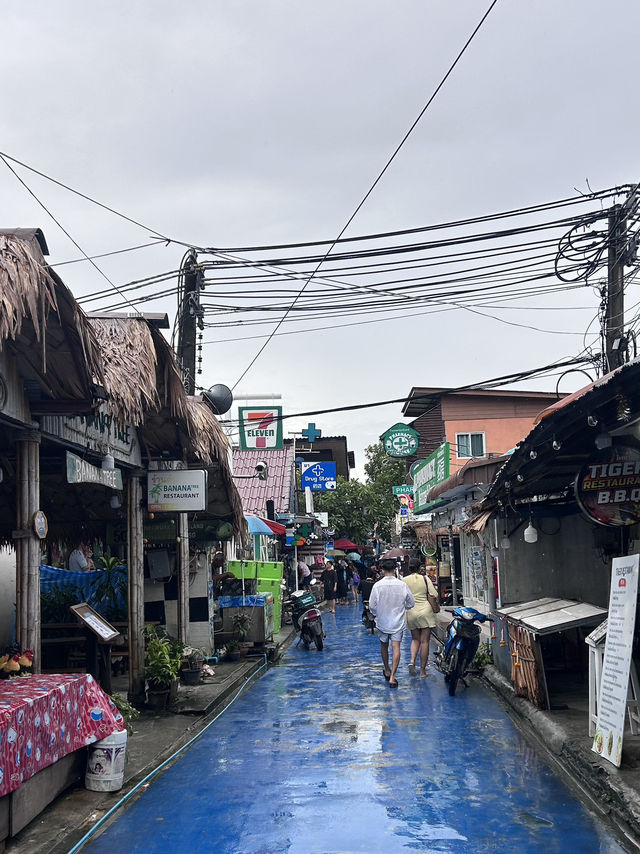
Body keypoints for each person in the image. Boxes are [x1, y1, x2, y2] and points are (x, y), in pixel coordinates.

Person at [368, 559, 415, 688]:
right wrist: (402, 607)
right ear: (395, 570)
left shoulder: (377, 585)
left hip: (382, 621)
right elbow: (411, 603)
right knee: (396, 648)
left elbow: (372, 606)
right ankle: (393, 677)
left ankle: (387, 669)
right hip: (398, 622)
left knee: (384, 646)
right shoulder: (402, 585)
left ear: (382, 570)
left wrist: (377, 613)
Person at [402, 559, 438, 677]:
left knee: (415, 639)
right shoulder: (425, 579)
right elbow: (434, 594)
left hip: (411, 611)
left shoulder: (404, 581)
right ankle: (422, 671)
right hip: (425, 611)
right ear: (419, 568)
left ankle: (412, 661)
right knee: (425, 641)